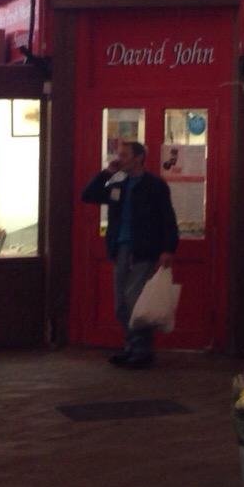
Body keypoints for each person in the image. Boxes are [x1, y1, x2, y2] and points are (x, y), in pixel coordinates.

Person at [80, 140, 178, 369]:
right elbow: (88, 195)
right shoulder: (118, 183)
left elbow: (167, 219)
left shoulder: (154, 185)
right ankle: (132, 347)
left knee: (135, 301)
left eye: (124, 155)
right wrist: (107, 172)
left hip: (144, 250)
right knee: (121, 304)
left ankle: (141, 351)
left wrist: (168, 249)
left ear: (138, 158)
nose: (119, 158)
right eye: (118, 154)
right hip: (120, 249)